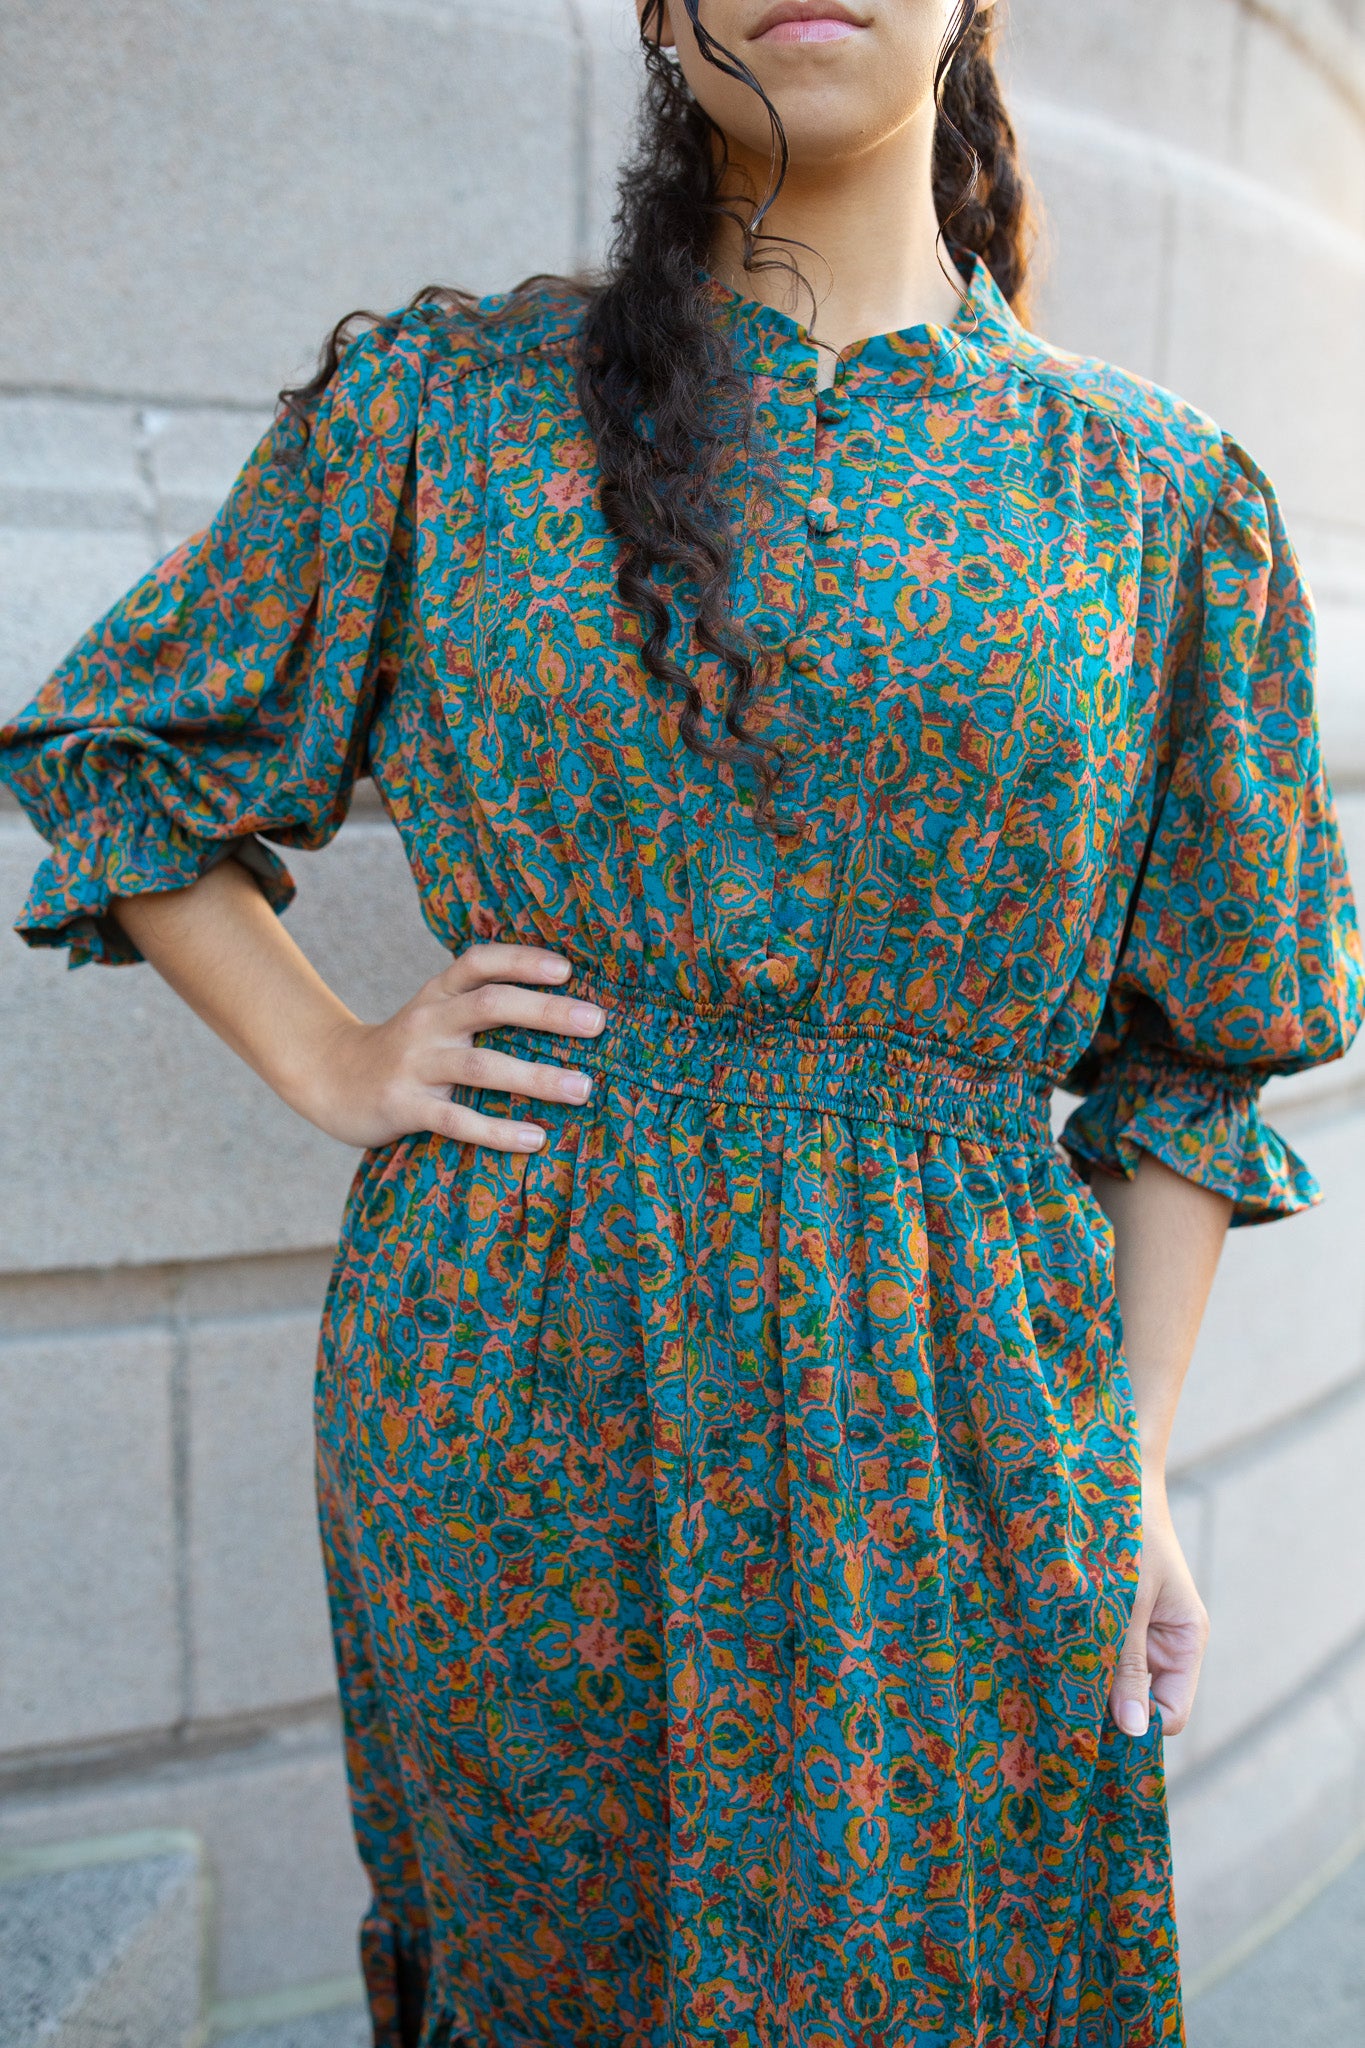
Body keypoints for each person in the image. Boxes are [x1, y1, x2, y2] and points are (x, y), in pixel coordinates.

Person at [3, 0, 1361, 2041]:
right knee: (551, 1977)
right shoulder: (452, 412)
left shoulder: (1152, 498)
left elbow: (1196, 1042)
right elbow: (122, 752)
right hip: (510, 1384)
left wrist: (1124, 1462)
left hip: (954, 1410)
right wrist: (333, 1053)